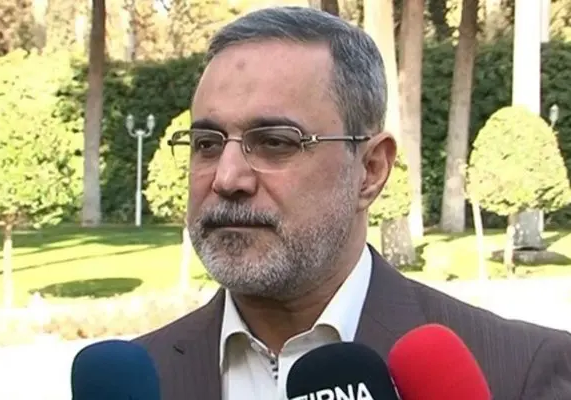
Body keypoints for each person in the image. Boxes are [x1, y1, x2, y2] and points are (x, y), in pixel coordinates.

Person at [135, 6, 571, 400]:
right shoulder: (137, 381)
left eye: (275, 142)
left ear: (370, 170)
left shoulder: (519, 373)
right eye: (207, 144)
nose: (227, 178)